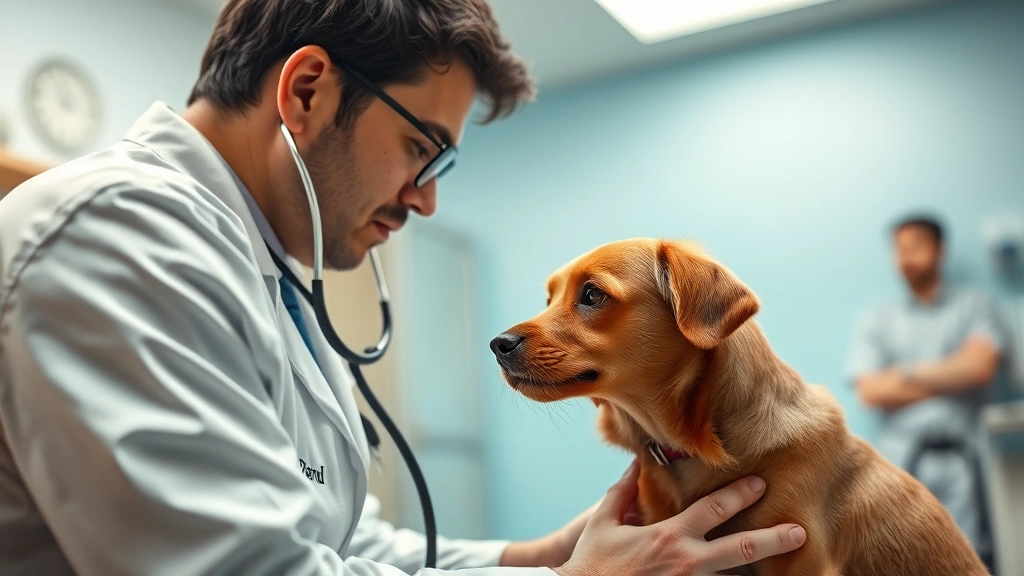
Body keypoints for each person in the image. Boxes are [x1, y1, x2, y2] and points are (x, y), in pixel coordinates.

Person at [0, 1, 806, 574]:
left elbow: (341, 545)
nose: (426, 198)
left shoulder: (257, 272)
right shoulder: (118, 237)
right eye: (422, 147)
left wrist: (539, 558)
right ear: (307, 90)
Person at [848, 214, 1006, 568]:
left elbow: (980, 368)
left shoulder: (976, 305)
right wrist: (952, 372)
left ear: (940, 250)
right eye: (899, 250)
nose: (906, 257)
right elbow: (871, 391)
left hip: (968, 465)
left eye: (915, 246)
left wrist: (903, 375)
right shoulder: (876, 319)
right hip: (900, 466)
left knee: (970, 561)